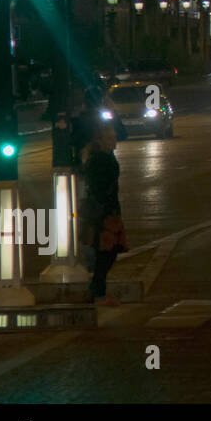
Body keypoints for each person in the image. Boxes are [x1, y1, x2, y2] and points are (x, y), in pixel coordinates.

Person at [79, 125, 126, 306]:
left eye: (113, 137)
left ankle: (96, 289)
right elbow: (100, 187)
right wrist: (107, 207)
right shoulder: (100, 159)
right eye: (110, 138)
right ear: (101, 140)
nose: (114, 140)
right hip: (104, 212)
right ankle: (98, 291)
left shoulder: (105, 156)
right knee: (107, 251)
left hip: (107, 210)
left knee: (107, 251)